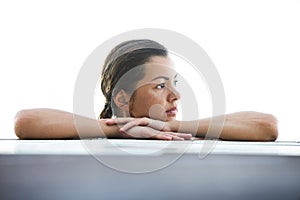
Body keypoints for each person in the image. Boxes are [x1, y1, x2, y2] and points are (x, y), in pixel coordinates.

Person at [14, 39, 278, 141]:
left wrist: (168, 127)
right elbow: (26, 121)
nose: (175, 96)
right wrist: (121, 129)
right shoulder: (93, 137)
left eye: (174, 83)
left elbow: (267, 126)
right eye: (161, 85)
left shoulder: (182, 135)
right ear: (122, 97)